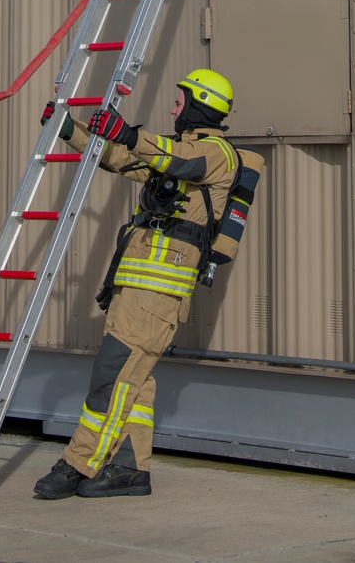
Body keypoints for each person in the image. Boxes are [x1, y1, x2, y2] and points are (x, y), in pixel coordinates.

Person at [34, 68, 262, 500]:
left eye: (180, 101)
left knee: (113, 374)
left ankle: (79, 462)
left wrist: (130, 133)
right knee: (135, 381)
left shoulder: (216, 155)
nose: (173, 108)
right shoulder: (173, 154)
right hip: (136, 286)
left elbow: (178, 159)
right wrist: (70, 130)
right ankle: (129, 470)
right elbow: (122, 158)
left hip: (158, 293)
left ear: (199, 103)